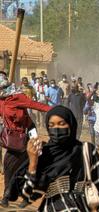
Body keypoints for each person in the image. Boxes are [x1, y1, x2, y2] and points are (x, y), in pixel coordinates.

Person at [7, 106, 99, 211]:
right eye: (51, 125)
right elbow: (28, 195)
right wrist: (33, 162)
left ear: (71, 124)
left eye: (62, 124)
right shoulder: (45, 153)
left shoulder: (86, 150)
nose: (56, 128)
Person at [0, 71, 52, 208]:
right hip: (13, 137)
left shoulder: (17, 97)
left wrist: (54, 110)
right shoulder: (1, 100)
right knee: (9, 165)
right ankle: (7, 195)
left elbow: (35, 105)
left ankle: (27, 196)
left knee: (35, 162)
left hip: (29, 132)